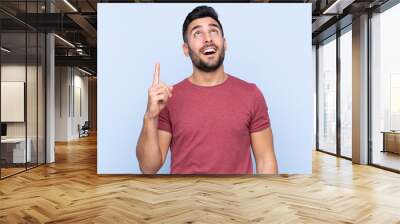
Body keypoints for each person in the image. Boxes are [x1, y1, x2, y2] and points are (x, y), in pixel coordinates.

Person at [136, 5, 278, 174]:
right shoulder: (169, 98)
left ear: (224, 44)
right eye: (198, 33)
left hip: (237, 199)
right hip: (185, 199)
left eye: (213, 31)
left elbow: (265, 160)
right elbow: (148, 167)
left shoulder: (251, 94)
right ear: (186, 49)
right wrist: (150, 117)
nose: (208, 38)